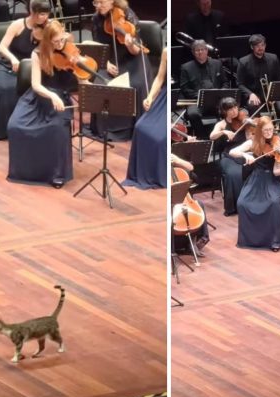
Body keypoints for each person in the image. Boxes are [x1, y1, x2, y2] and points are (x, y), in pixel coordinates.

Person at [6, 20, 77, 188]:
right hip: (41, 96)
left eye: (61, 39)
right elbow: (36, 85)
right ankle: (25, 171)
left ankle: (57, 174)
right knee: (14, 126)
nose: (60, 44)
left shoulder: (69, 46)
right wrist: (52, 95)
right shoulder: (37, 53)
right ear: (47, 41)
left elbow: (81, 73)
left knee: (57, 128)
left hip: (62, 97)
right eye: (56, 42)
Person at [230, 116, 280, 251]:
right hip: (256, 178)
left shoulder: (277, 144)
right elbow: (232, 152)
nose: (269, 133)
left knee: (273, 203)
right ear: (259, 130)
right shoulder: (252, 143)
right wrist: (246, 155)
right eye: (266, 130)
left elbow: (276, 172)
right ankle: (250, 239)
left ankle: (274, 241)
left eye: (271, 130)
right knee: (242, 203)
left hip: (272, 180)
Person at [0, 0, 51, 141]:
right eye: (41, 14)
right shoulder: (18, 25)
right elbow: (2, 47)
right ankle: (5, 131)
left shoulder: (47, 27)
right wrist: (13, 58)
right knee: (7, 89)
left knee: (45, 87)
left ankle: (35, 126)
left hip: (31, 69)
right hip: (8, 66)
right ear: (32, 12)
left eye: (46, 14)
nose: (44, 18)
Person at [92, 0, 152, 141]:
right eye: (96, 2)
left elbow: (136, 50)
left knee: (136, 84)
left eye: (102, 2)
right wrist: (105, 63)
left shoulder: (128, 14)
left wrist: (130, 44)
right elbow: (97, 45)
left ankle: (135, 129)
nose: (99, 6)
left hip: (132, 58)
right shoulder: (96, 18)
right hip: (110, 58)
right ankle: (106, 130)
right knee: (100, 84)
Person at [123, 48, 167, 189]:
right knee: (140, 127)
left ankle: (160, 175)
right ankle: (140, 174)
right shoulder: (166, 51)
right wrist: (149, 97)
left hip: (171, 98)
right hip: (162, 97)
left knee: (160, 138)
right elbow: (159, 78)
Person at [179, 39, 228, 140]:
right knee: (192, 113)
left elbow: (225, 82)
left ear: (207, 50)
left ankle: (223, 137)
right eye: (197, 50)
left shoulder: (217, 64)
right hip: (197, 101)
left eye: (202, 49)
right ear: (193, 52)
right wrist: (200, 96)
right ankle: (203, 137)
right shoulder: (186, 67)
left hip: (216, 100)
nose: (200, 52)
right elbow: (185, 88)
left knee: (229, 109)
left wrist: (221, 93)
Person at [209, 97, 249, 216]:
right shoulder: (221, 124)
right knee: (233, 174)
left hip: (244, 152)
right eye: (230, 109)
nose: (234, 111)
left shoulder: (244, 121)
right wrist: (223, 132)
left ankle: (251, 203)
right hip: (228, 156)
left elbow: (249, 139)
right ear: (224, 111)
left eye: (236, 107)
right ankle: (235, 206)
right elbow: (212, 136)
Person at [236, 34, 280, 120]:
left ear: (265, 45)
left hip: (272, 93)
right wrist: (250, 94)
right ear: (252, 47)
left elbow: (279, 79)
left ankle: (279, 130)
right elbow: (240, 84)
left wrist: (276, 93)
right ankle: (257, 130)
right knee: (254, 107)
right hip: (255, 94)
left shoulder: (273, 58)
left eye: (262, 45)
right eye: (257, 46)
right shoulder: (243, 61)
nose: (260, 48)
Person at [171, 153, 210, 255]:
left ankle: (197, 240)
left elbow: (191, 167)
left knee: (199, 204)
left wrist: (177, 160)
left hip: (182, 198)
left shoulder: (173, 160)